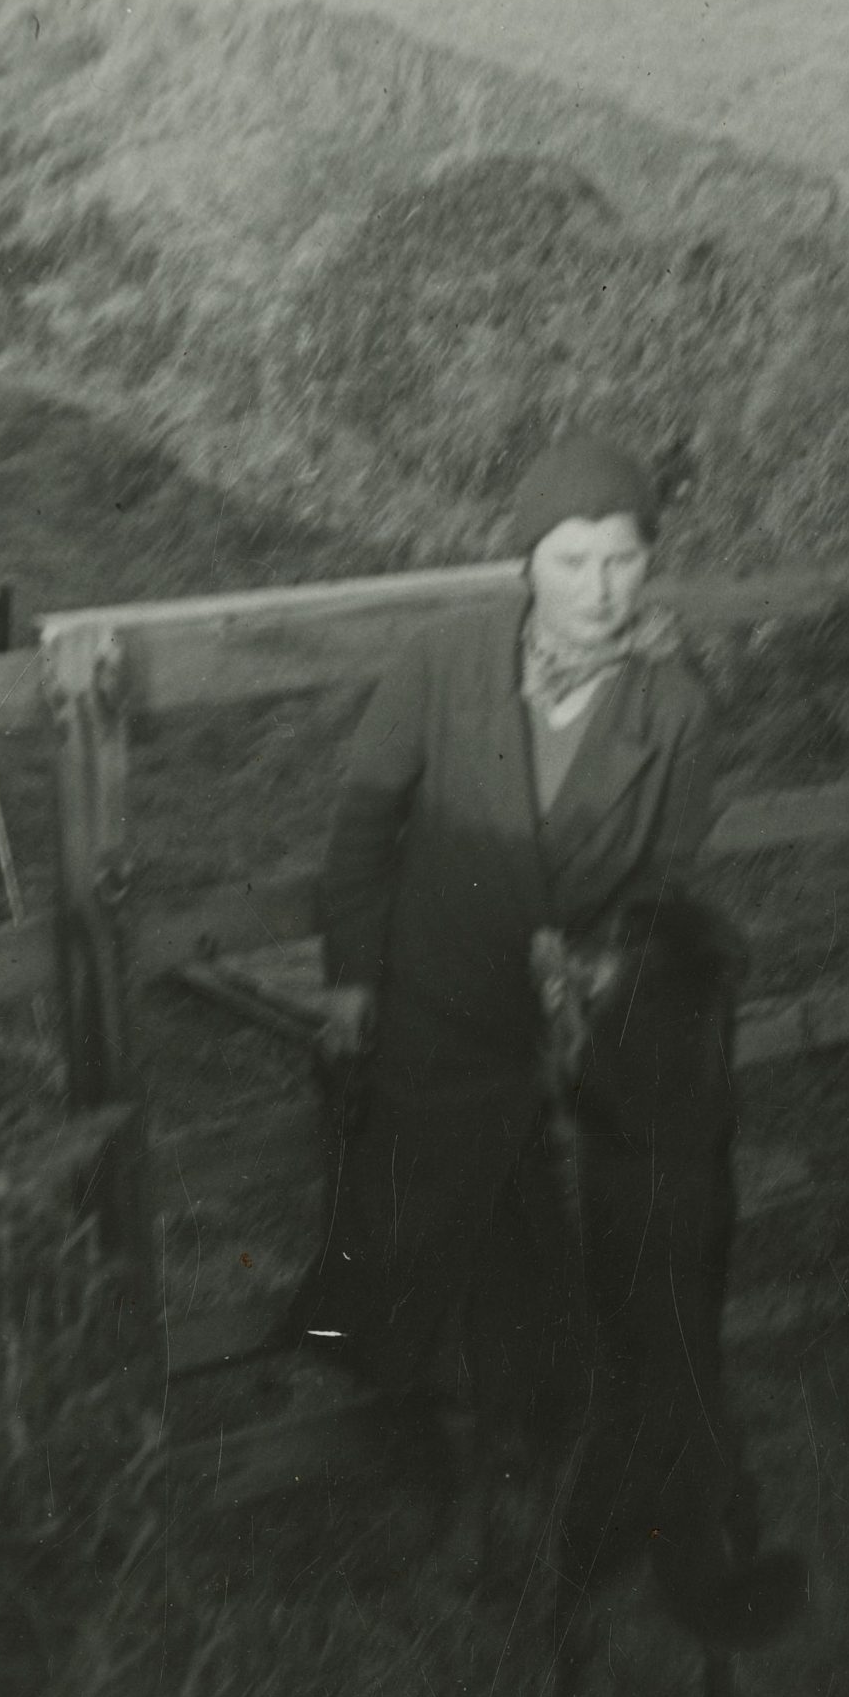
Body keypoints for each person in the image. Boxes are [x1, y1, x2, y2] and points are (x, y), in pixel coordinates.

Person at [288, 430, 725, 1470]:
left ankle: (528, 1486)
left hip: (563, 1041)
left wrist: (605, 971)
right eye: (572, 560)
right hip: (435, 1015)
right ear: (526, 562)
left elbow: (666, 878)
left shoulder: (675, 709)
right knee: (416, 1266)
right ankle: (422, 1459)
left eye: (623, 559)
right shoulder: (445, 661)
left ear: (650, 562)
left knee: (544, 1280)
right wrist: (350, 985)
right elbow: (362, 830)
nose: (602, 589)